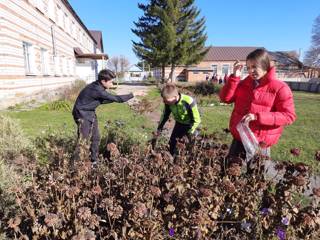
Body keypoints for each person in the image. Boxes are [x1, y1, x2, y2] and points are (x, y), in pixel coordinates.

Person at [219, 48, 296, 160]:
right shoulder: (243, 85)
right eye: (248, 67)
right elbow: (225, 98)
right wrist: (235, 77)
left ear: (265, 66)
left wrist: (257, 117)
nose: (251, 71)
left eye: (254, 67)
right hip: (239, 137)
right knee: (229, 171)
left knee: (255, 175)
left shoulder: (280, 88)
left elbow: (289, 116)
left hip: (260, 142)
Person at [72, 69, 134, 164]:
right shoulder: (97, 89)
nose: (112, 84)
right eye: (110, 82)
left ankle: (93, 161)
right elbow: (117, 99)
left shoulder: (98, 86)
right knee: (83, 140)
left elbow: (103, 100)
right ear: (103, 81)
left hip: (90, 112)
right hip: (81, 113)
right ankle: (78, 163)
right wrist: (132, 95)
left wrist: (114, 99)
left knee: (96, 137)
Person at [156, 83, 201, 155]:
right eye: (164, 99)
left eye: (166, 100)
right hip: (179, 124)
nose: (164, 102)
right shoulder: (168, 103)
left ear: (174, 97)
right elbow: (165, 116)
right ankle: (171, 161)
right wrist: (159, 128)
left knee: (188, 148)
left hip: (191, 126)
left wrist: (189, 133)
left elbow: (197, 120)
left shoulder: (188, 101)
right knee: (172, 144)